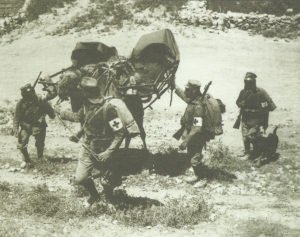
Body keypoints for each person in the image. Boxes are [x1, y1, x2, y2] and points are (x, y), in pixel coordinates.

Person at [57, 77, 139, 206]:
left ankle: (109, 198)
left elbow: (120, 133)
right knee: (80, 178)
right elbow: (81, 119)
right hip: (88, 148)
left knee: (107, 181)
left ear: (86, 93)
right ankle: (95, 196)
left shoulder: (108, 109)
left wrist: (108, 152)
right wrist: (62, 113)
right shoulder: (86, 106)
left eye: (81, 91)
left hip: (105, 149)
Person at [173, 80, 217, 185]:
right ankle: (198, 175)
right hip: (193, 135)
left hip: (197, 136)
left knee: (194, 158)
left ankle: (202, 178)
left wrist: (185, 141)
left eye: (187, 89)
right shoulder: (193, 100)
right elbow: (184, 97)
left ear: (194, 91)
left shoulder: (198, 106)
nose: (185, 91)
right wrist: (174, 85)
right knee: (191, 155)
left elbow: (197, 128)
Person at [13, 82, 57, 168]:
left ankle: (40, 157)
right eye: (26, 94)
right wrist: (15, 129)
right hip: (26, 125)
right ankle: (26, 159)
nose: (28, 96)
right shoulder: (21, 103)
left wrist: (52, 114)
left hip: (39, 124)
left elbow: (49, 108)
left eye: (30, 94)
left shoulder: (40, 99)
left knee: (40, 143)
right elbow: (16, 117)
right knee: (22, 143)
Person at [236, 72, 276, 158]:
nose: (247, 84)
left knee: (254, 137)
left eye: (249, 82)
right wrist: (240, 103)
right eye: (246, 82)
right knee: (245, 137)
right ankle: (247, 152)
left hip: (257, 120)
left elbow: (268, 107)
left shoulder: (261, 93)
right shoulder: (243, 92)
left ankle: (256, 152)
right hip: (245, 118)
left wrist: (262, 122)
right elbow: (237, 102)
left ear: (253, 82)